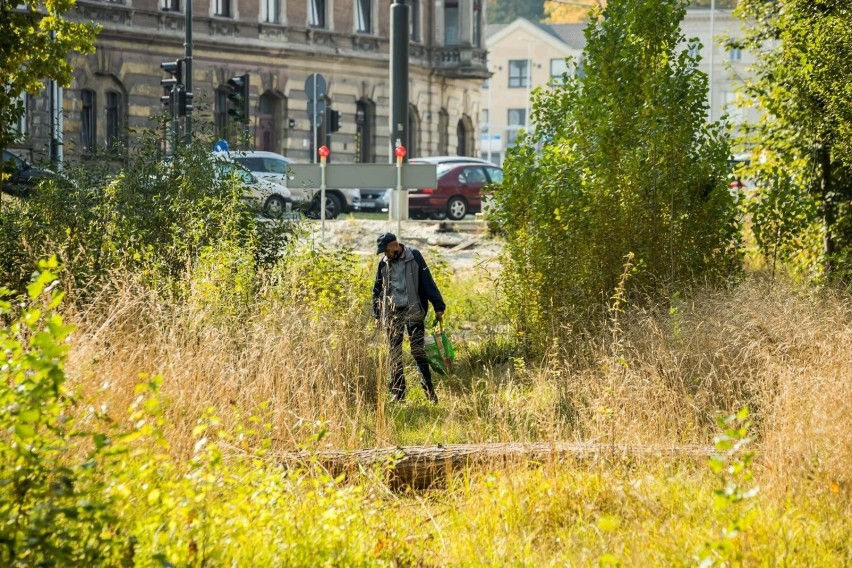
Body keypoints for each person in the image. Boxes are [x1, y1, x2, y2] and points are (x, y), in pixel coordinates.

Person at [372, 232, 445, 403]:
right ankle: (398, 395)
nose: (385, 254)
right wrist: (377, 314)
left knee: (418, 352)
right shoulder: (383, 264)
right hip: (393, 313)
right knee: (394, 353)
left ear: (394, 246)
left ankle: (429, 393)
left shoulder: (415, 257)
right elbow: (377, 291)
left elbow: (427, 281)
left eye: (387, 250)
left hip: (414, 311)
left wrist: (438, 306)